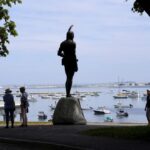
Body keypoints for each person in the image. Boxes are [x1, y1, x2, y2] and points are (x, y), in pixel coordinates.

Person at [58, 25, 78, 97]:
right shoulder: (73, 43)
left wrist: (64, 56)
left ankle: (67, 93)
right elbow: (73, 54)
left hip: (66, 62)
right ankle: (68, 94)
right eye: (73, 35)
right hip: (72, 62)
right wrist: (75, 60)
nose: (74, 36)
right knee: (70, 78)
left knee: (68, 77)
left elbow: (59, 53)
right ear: (71, 36)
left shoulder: (63, 43)